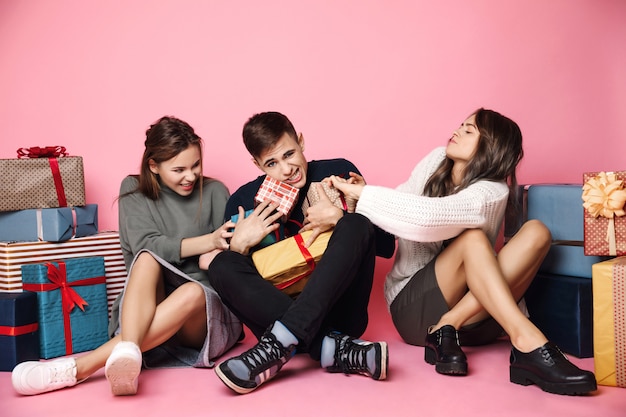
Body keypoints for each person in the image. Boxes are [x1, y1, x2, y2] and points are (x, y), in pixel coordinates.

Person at [328, 108, 597, 396]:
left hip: (479, 320)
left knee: (536, 233)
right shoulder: (435, 160)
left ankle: (449, 324)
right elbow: (406, 207)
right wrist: (362, 195)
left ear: (491, 147)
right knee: (473, 240)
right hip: (415, 312)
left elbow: (430, 218)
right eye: (461, 125)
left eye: (469, 130)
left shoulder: (492, 192)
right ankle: (527, 340)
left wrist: (366, 196)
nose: (457, 131)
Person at [12, 116, 242, 396]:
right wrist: (209, 240)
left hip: (203, 319)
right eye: (179, 169)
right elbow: (148, 245)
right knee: (146, 256)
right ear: (153, 166)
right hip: (143, 309)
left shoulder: (216, 192)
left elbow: (231, 256)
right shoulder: (134, 192)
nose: (191, 176)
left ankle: (79, 368)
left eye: (196, 165)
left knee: (194, 291)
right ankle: (128, 354)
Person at [206, 111, 395, 394]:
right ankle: (332, 348)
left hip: (342, 315)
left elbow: (385, 246)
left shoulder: (339, 171)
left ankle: (283, 343)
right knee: (221, 264)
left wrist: (342, 214)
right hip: (275, 316)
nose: (286, 169)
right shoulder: (243, 200)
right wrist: (239, 246)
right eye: (271, 163)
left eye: (289, 154)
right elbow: (239, 285)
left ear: (301, 142)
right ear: (256, 163)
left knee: (355, 223)